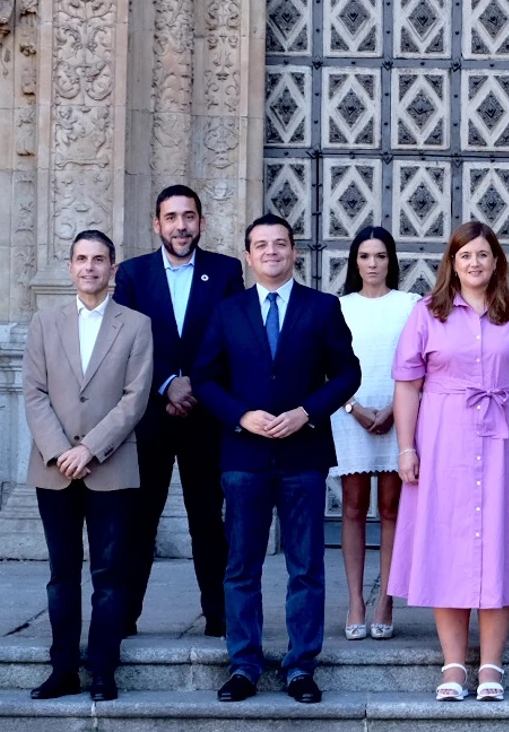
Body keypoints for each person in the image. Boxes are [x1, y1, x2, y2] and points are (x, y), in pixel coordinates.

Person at [389, 221, 509, 702]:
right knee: (448, 546)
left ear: (497, 261)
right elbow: (408, 384)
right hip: (445, 441)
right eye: (466, 256)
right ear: (453, 262)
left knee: (500, 545)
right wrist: (407, 447)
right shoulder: (428, 312)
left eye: (484, 255)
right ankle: (452, 665)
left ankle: (490, 665)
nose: (475, 263)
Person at [194, 214, 361, 705]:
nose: (271, 252)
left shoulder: (322, 307)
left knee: (305, 565)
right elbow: (204, 379)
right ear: (248, 255)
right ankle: (243, 664)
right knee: (241, 565)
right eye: (261, 245)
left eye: (280, 244)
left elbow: (347, 373)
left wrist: (307, 412)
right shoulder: (228, 311)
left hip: (302, 454)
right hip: (243, 455)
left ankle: (300, 666)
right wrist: (240, 415)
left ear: (294, 252)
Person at [22, 231, 153, 702]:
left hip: (111, 467)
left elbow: (134, 400)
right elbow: (34, 392)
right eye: (81, 259)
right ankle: (63, 670)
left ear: (113, 268)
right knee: (61, 573)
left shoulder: (136, 325)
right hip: (53, 469)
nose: (90, 267)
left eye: (99, 260)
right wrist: (60, 451)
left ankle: (102, 669)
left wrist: (90, 448)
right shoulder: (45, 321)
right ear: (70, 266)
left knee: (109, 573)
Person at [112, 184, 245, 638]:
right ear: (157, 224)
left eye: (189, 217)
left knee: (209, 520)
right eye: (171, 217)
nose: (181, 226)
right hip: (150, 415)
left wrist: (195, 385)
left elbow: (231, 339)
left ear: (202, 223)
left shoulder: (226, 272)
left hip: (207, 418)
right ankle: (125, 616)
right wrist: (169, 382)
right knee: (139, 521)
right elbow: (127, 344)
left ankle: (220, 617)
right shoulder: (132, 275)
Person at [332, 225, 417, 642]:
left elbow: (417, 362)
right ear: (355, 261)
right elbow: (327, 366)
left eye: (380, 256)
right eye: (364, 256)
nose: (372, 264)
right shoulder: (339, 306)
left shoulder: (410, 305)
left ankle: (385, 598)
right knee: (352, 506)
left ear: (391, 260)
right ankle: (355, 601)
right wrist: (354, 407)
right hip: (349, 414)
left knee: (390, 508)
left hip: (397, 414)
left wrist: (392, 410)